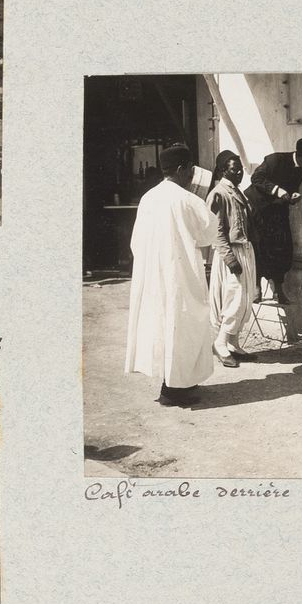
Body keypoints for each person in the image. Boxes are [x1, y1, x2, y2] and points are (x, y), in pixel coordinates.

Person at [125, 143, 219, 408]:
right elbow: (209, 233)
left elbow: (135, 242)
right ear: (181, 169)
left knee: (163, 327)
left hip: (153, 274)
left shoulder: (148, 198)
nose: (191, 175)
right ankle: (174, 390)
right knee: (184, 327)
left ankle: (178, 383)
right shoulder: (187, 199)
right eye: (189, 169)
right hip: (179, 275)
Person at [246, 136, 302, 305]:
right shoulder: (275, 160)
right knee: (259, 246)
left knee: (283, 248)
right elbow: (256, 179)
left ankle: (278, 290)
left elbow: (290, 192)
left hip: (277, 212)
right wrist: (277, 190)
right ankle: (256, 288)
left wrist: (292, 197)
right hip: (258, 210)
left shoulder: (299, 172)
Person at [206, 151, 257, 368]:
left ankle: (233, 343)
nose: (238, 173)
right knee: (234, 299)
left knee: (245, 299)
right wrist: (230, 260)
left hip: (244, 250)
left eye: (240, 170)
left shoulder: (238, 192)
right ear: (222, 171)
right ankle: (220, 343)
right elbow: (216, 232)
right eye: (233, 169)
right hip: (232, 253)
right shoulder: (219, 194)